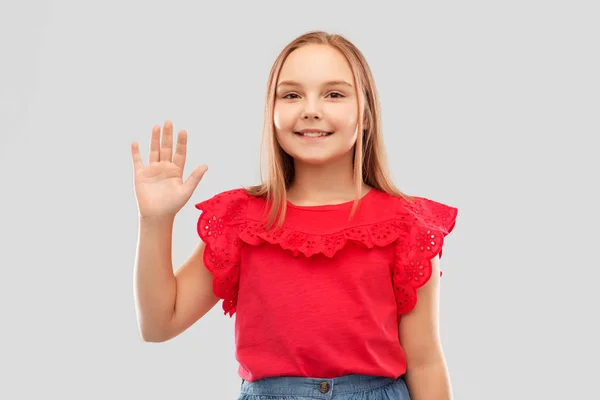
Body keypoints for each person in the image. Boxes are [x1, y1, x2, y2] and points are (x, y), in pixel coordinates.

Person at [131, 31, 459, 400]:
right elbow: (159, 324)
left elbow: (425, 362)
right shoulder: (241, 220)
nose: (310, 109)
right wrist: (156, 221)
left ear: (366, 114)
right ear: (271, 113)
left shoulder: (406, 224)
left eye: (334, 94)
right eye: (291, 94)